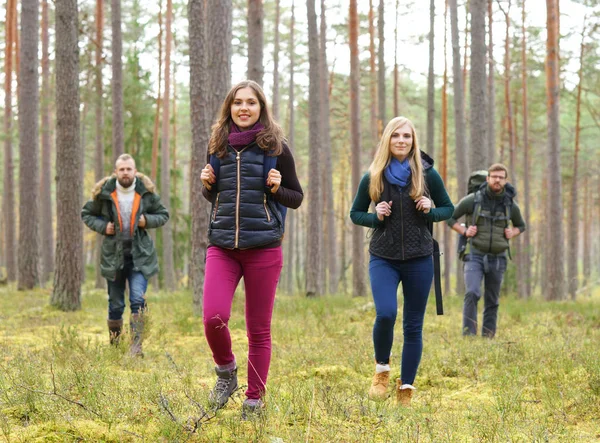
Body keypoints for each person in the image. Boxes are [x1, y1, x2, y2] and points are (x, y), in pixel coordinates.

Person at [200, 80, 303, 417]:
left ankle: (254, 399)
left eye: (251, 102)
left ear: (261, 107)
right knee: (213, 316)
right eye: (237, 102)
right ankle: (226, 373)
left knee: (259, 328)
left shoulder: (276, 147)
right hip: (223, 246)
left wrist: (276, 188)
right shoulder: (217, 144)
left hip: (264, 247)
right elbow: (216, 196)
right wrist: (206, 186)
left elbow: (296, 197)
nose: (244, 108)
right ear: (229, 107)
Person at [350, 116, 454, 406]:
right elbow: (356, 213)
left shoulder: (427, 175)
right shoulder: (373, 176)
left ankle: (406, 388)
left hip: (420, 258)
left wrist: (430, 209)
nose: (401, 141)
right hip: (383, 257)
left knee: (413, 325)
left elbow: (449, 208)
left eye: (406, 136)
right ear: (387, 139)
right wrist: (376, 216)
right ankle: (381, 371)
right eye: (396, 135)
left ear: (413, 140)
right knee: (385, 313)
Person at [82, 154, 169, 357]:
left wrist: (146, 221)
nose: (126, 173)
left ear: (135, 171)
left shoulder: (145, 193)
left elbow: (163, 214)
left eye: (129, 169)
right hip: (114, 256)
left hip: (140, 256)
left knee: (138, 299)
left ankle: (135, 348)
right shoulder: (104, 193)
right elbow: (86, 214)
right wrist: (103, 226)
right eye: (122, 169)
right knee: (116, 304)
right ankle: (115, 347)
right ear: (116, 172)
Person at [447, 163, 526, 338]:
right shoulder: (473, 200)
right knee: (472, 292)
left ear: (505, 181)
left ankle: (488, 337)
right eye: (494, 176)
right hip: (474, 254)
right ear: (488, 178)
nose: (497, 180)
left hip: (498, 257)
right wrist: (464, 231)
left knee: (492, 300)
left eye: (501, 177)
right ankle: (468, 335)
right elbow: (450, 217)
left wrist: (513, 232)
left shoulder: (510, 204)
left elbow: (521, 225)